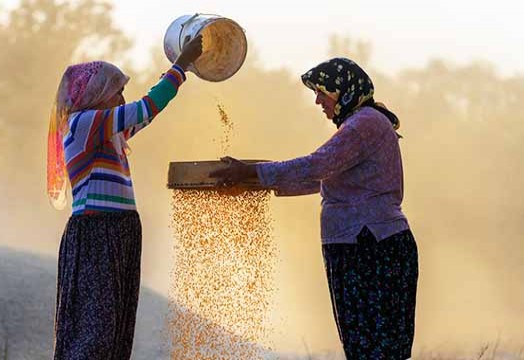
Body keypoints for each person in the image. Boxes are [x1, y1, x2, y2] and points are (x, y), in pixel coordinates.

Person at [211, 57, 419, 360]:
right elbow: (322, 179)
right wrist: (254, 181)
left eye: (322, 92)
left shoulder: (364, 124)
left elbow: (317, 165)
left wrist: (253, 173)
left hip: (370, 245)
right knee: (368, 347)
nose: (319, 101)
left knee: (373, 348)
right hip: (362, 243)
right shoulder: (362, 123)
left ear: (343, 90)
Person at [46, 35, 203, 360]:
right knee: (94, 332)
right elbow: (145, 106)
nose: (121, 97)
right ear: (96, 94)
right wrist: (181, 66)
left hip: (120, 232)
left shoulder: (109, 130)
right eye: (116, 91)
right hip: (96, 233)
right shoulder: (83, 123)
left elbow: (146, 112)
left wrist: (176, 73)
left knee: (116, 328)